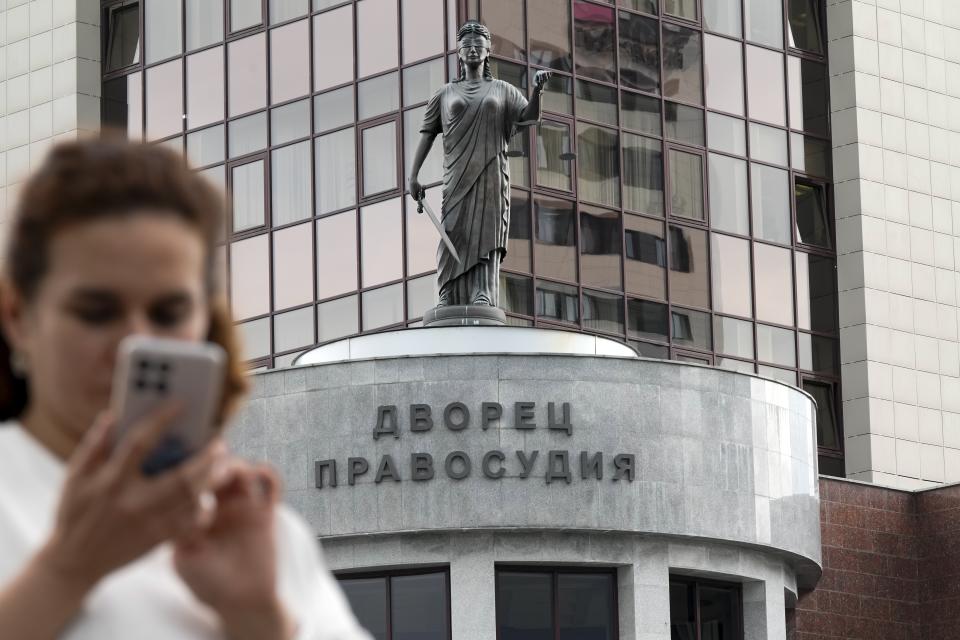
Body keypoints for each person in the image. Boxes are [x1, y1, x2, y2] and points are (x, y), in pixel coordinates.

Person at [0, 136, 371, 640]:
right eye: (97, 312)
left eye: (169, 313)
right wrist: (66, 570)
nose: (136, 340)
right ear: (19, 317)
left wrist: (259, 617)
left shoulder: (266, 534)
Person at [408, 21, 551, 308]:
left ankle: (482, 293)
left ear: (488, 52)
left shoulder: (502, 90)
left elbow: (528, 117)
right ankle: (448, 291)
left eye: (478, 46)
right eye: (466, 46)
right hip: (457, 175)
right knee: (453, 230)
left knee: (487, 232)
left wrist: (538, 91)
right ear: (459, 52)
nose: (472, 50)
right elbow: (427, 133)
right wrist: (413, 175)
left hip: (491, 172)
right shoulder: (444, 93)